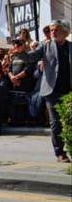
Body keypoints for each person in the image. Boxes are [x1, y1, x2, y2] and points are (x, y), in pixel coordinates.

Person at [27, 20, 72, 162]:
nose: (52, 32)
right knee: (56, 123)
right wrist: (21, 52)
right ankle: (60, 153)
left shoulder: (70, 46)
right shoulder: (45, 46)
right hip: (52, 91)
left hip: (69, 90)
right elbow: (31, 56)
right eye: (51, 30)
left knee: (69, 122)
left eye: (56, 29)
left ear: (65, 32)